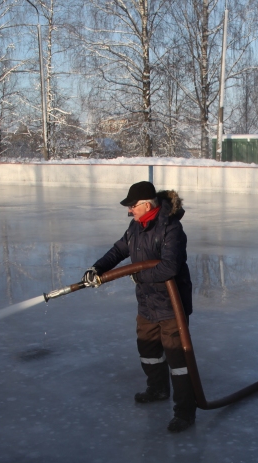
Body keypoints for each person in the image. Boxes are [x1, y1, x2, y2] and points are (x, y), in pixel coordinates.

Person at [82, 181, 197, 432]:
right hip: (146, 303)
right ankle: (157, 389)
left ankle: (185, 412)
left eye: (132, 206)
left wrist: (138, 276)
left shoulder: (171, 229)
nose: (129, 211)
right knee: (148, 350)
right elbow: (118, 251)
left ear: (147, 204)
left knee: (178, 361)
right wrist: (97, 268)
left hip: (170, 305)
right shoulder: (136, 227)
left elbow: (169, 267)